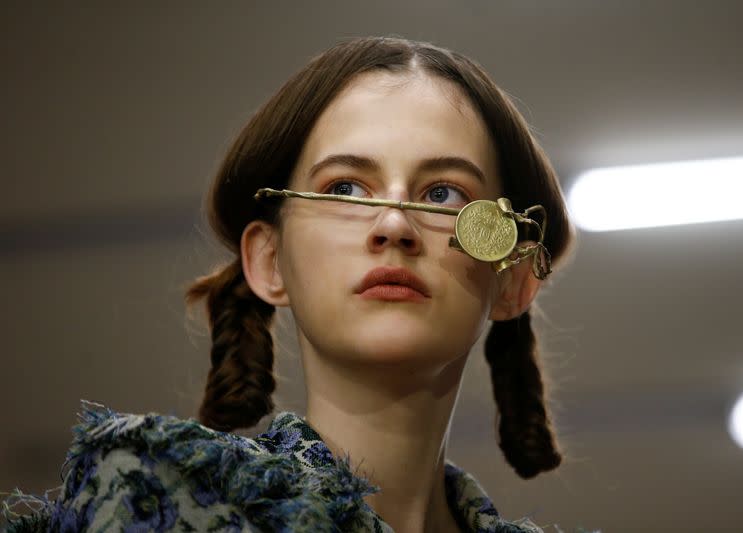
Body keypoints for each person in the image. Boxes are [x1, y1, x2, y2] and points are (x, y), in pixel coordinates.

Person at [2, 37, 573, 532]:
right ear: (269, 260)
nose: (394, 225)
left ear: (515, 278)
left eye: (443, 193)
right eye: (346, 188)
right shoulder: (155, 499)